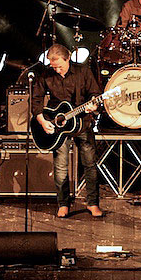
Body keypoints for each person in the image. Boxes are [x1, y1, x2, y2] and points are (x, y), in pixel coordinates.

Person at [32, 44, 103, 218]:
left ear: (68, 58)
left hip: (82, 123)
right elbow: (35, 100)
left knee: (90, 164)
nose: (56, 70)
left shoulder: (83, 72)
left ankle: (92, 203)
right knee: (60, 167)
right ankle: (63, 203)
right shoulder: (46, 74)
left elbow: (95, 94)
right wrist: (42, 121)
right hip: (58, 126)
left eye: (59, 66)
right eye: (53, 66)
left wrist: (93, 105)